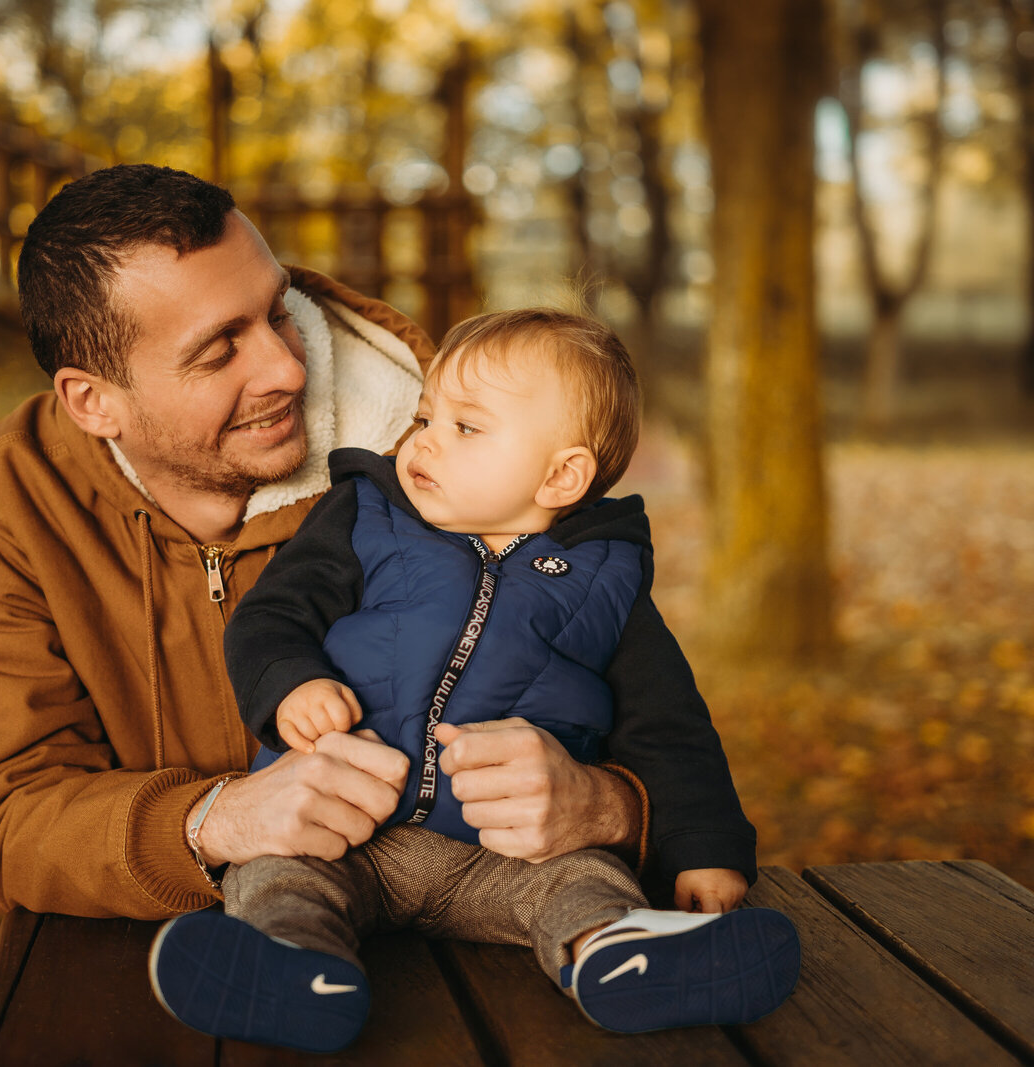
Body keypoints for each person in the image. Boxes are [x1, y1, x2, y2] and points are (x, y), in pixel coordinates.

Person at [0, 165, 650, 929]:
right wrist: (214, 819)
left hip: (487, 940)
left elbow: (652, 710)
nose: (287, 365)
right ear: (94, 401)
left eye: (278, 311)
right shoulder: (14, 500)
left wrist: (610, 806)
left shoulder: (460, 453)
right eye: (218, 352)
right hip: (171, 961)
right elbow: (6, 814)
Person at [147, 308, 800, 1053]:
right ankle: (295, 969)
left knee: (582, 881)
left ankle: (621, 956)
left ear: (562, 474)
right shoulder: (367, 518)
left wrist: (705, 846)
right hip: (346, 827)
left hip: (512, 850)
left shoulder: (605, 580)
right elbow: (272, 615)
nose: (424, 439)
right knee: (276, 877)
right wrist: (290, 685)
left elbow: (670, 724)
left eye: (467, 427)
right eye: (427, 415)